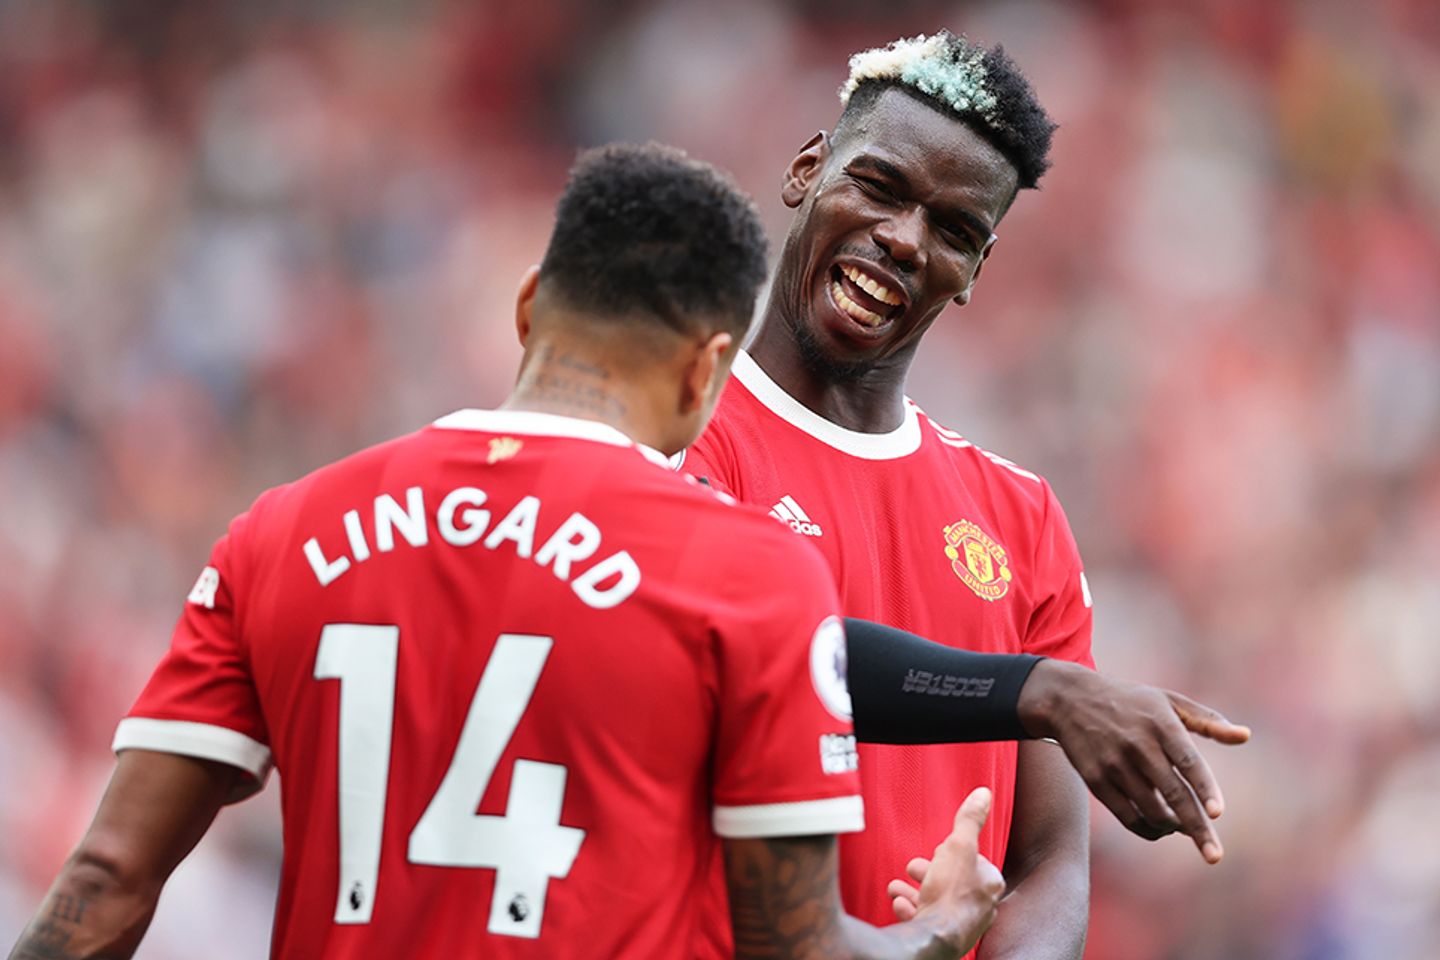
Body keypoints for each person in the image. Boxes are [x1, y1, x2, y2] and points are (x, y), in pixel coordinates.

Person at [6, 144, 1007, 960]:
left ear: (529, 307)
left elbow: (107, 878)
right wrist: (942, 924)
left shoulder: (281, 532)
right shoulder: (753, 576)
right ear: (707, 371)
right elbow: (796, 950)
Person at [679, 31, 1243, 956]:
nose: (903, 240)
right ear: (807, 170)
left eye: (952, 231)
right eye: (879, 187)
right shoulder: (682, 429)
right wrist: (1036, 691)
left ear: (975, 271)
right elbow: (761, 652)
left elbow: (1050, 864)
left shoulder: (1020, 518)